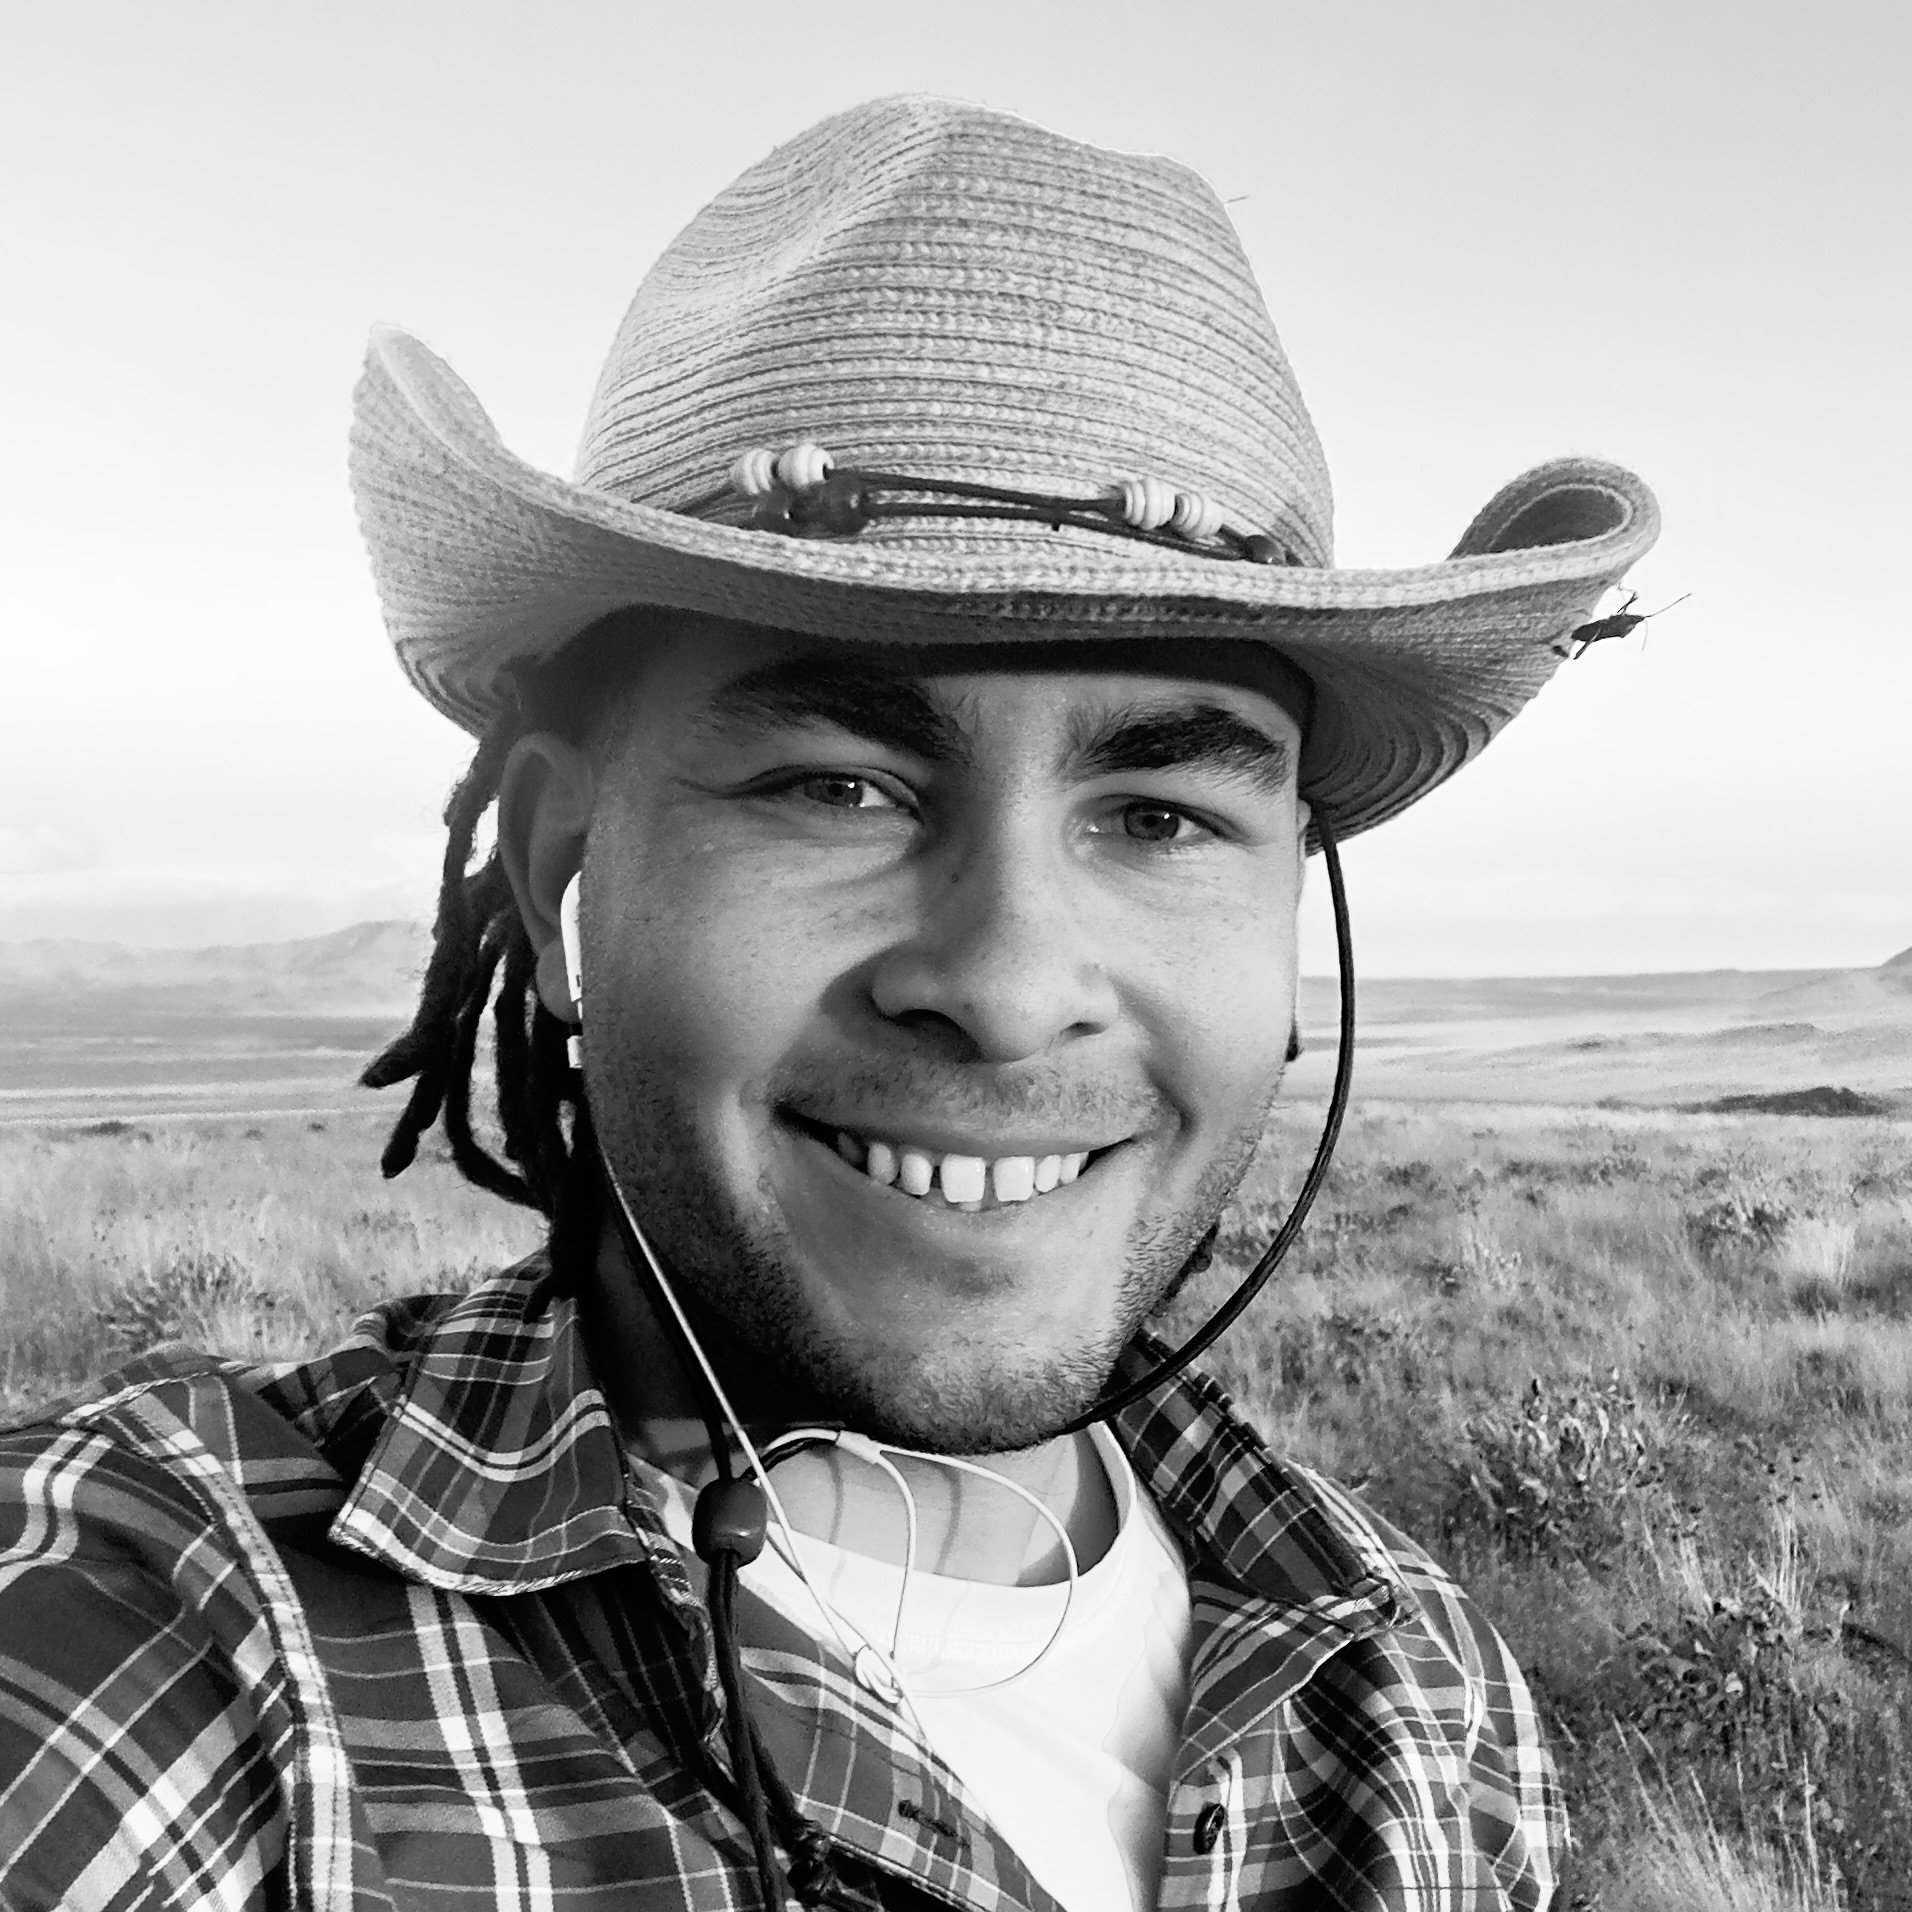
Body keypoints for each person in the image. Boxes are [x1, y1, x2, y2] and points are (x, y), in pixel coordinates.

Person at [0, 97, 1657, 1911]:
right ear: (564, 876)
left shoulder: (1418, 1699)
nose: (1013, 990)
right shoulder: (176, 1645)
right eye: (834, 787)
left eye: (1162, 813)